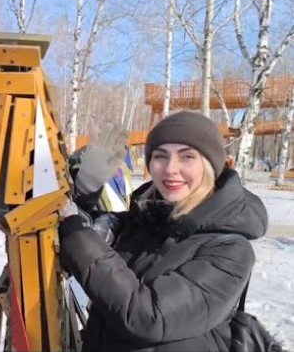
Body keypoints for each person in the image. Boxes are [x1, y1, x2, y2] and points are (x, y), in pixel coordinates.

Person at [58, 111, 268, 351]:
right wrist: (83, 195)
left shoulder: (230, 251)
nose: (170, 169)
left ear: (210, 166)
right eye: (160, 156)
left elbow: (149, 317)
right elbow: (85, 252)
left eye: (187, 157)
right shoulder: (147, 221)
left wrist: (77, 233)